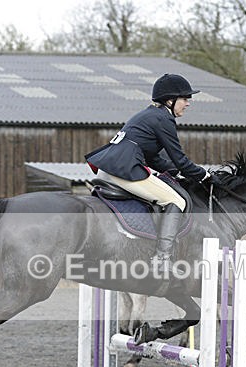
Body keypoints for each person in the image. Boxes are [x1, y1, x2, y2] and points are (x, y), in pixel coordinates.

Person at [85, 73, 209, 275]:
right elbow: (180, 158)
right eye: (185, 99)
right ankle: (162, 258)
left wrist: (178, 172)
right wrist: (203, 175)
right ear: (170, 100)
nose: (188, 103)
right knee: (177, 201)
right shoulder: (163, 119)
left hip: (109, 167)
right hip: (123, 170)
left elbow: (154, 159)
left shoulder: (149, 115)